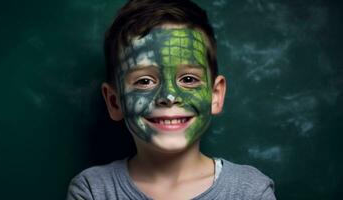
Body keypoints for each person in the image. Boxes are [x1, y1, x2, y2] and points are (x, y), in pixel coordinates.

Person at [66, 0, 276, 199]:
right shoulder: (93, 190)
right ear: (114, 102)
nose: (168, 96)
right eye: (145, 81)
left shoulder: (250, 191)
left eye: (188, 79)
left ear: (215, 95)